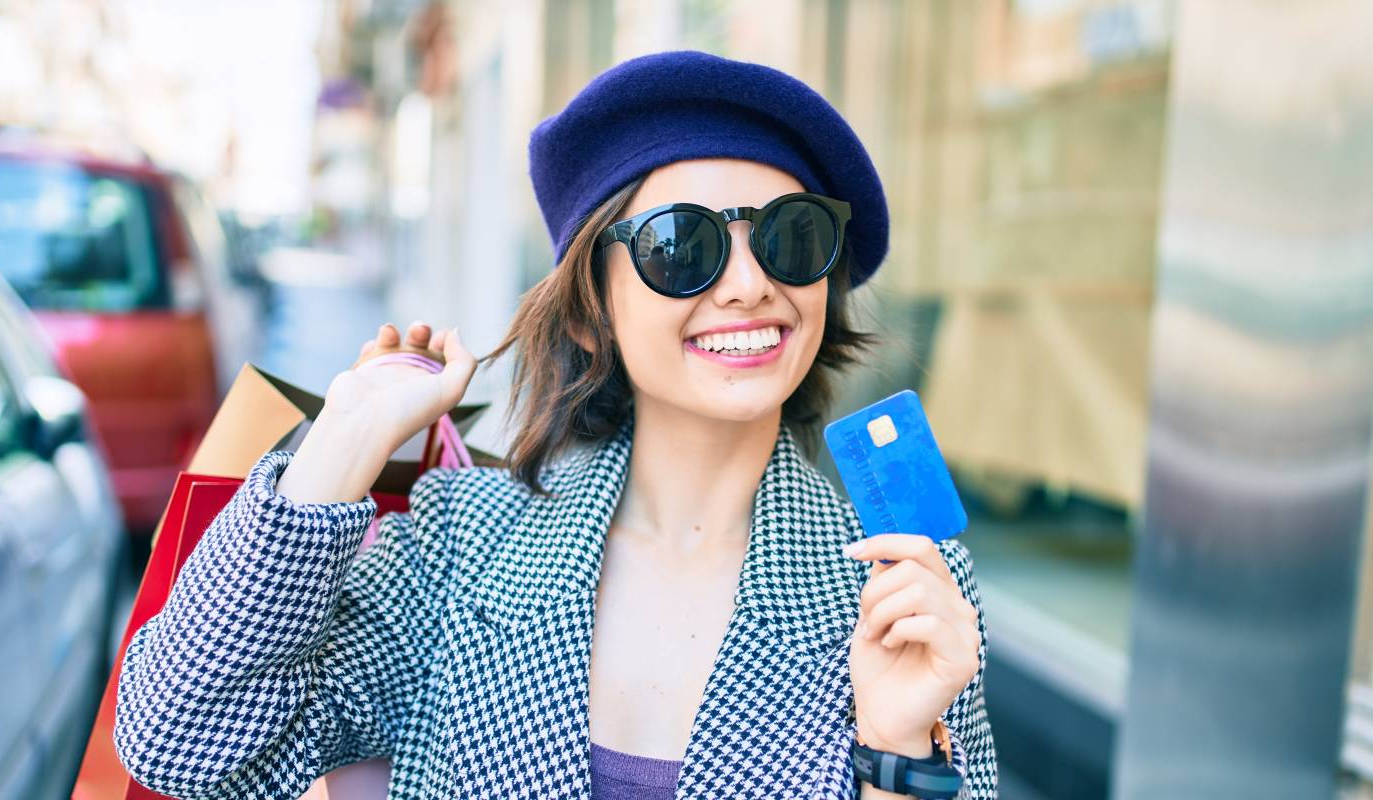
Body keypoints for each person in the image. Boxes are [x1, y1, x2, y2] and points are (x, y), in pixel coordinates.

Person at [114, 50, 995, 799]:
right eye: (681, 247)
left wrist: (897, 750)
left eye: (791, 238)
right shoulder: (464, 545)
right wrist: (342, 440)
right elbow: (181, 745)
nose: (748, 286)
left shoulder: (902, 583)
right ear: (590, 312)